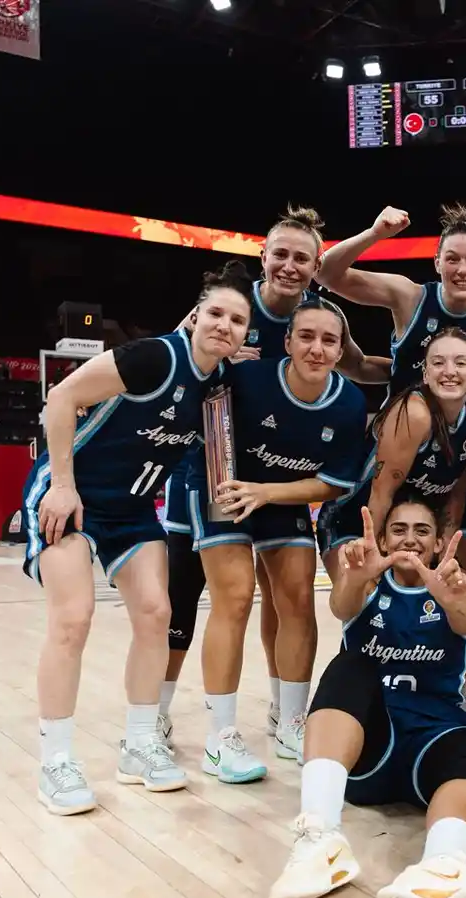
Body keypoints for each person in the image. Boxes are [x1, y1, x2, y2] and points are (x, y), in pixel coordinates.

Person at [22, 261, 246, 815]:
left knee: (155, 612)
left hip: (133, 509)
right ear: (195, 317)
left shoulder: (218, 387)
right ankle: (56, 761)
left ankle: (140, 745)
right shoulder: (153, 357)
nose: (225, 325)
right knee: (73, 618)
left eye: (238, 320)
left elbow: (218, 461)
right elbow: (61, 397)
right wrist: (63, 486)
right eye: (216, 313)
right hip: (73, 495)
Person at [161, 207, 386, 748]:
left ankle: (287, 717)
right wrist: (208, 349)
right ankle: (163, 718)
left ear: (316, 266)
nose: (289, 265)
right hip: (214, 469)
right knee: (195, 597)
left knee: (290, 598)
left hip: (279, 483)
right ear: (262, 257)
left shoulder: (324, 325)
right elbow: (175, 357)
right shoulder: (231, 306)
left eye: (301, 258)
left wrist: (419, 374)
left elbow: (358, 367)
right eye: (279, 254)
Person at [268, 495, 466, 898]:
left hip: (432, 745)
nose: (410, 539)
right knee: (349, 666)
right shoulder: (366, 586)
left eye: (422, 530)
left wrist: (450, 599)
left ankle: (441, 872)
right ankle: (319, 839)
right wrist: (356, 576)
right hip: (371, 746)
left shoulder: (461, 588)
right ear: (385, 539)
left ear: (440, 542)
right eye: (400, 529)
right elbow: (341, 606)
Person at [316, 204, 466, 729]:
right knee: (374, 586)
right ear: (437, 262)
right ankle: (358, 694)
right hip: (390, 474)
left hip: (447, 471)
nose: (462, 268)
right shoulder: (410, 297)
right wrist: (375, 232)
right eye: (452, 258)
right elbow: (328, 273)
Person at [181, 298, 369, 778]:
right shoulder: (245, 379)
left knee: (298, 600)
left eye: (328, 340)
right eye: (306, 336)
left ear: (340, 350)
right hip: (224, 485)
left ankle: (291, 722)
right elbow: (192, 380)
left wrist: (267, 492)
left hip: (280, 496)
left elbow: (332, 484)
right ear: (287, 341)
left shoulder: (349, 402)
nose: (316, 348)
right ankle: (220, 738)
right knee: (235, 597)